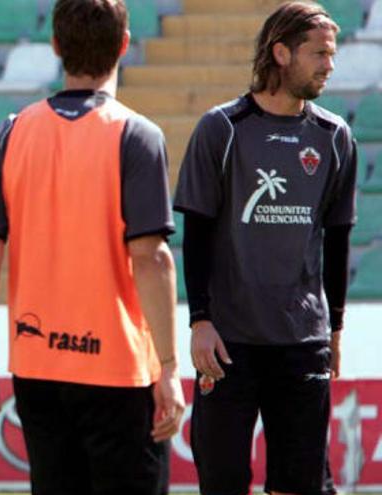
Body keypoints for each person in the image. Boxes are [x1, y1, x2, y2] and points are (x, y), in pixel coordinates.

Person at [0, 1, 185, 493]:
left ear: (56, 46)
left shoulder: (12, 131)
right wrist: (168, 367)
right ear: (124, 45)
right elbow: (151, 257)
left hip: (37, 364)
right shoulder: (137, 135)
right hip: (119, 370)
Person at [174, 2, 356, 494]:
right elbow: (197, 231)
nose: (329, 64)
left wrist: (334, 329)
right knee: (224, 481)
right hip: (229, 343)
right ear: (281, 53)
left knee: (300, 485)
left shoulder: (335, 136)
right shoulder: (223, 128)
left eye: (331, 54)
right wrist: (200, 320)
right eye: (318, 53)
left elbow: (337, 237)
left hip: (302, 342)